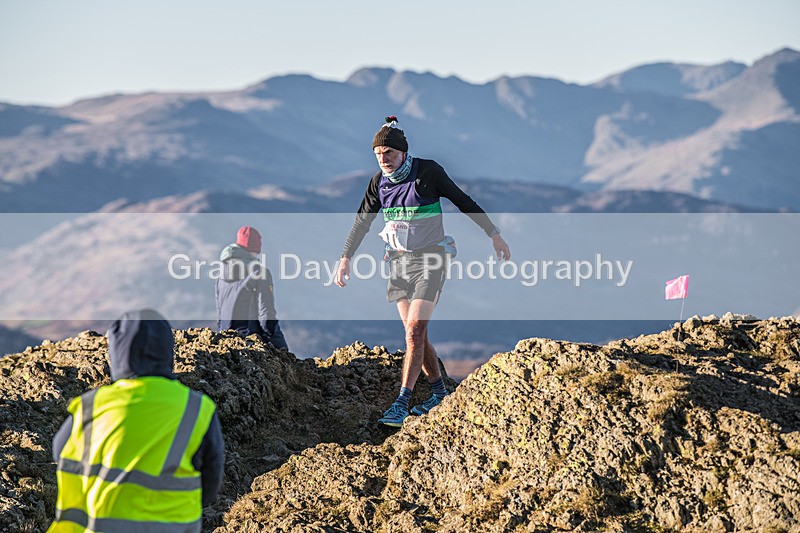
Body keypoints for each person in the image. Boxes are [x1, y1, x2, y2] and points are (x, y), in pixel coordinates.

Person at [335, 116, 510, 427]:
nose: (383, 159)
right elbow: (362, 221)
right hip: (397, 263)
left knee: (415, 330)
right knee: (415, 333)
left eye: (388, 152)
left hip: (432, 260)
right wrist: (345, 257)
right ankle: (439, 391)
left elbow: (463, 201)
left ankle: (402, 401)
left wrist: (493, 233)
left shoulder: (428, 172)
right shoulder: (379, 183)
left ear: (403, 151)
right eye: (378, 154)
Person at [49, 309, 225, 532]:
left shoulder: (93, 405)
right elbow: (210, 482)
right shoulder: (196, 407)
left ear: (117, 352)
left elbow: (59, 451)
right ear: (167, 351)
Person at [215, 226, 289, 350]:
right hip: (251, 342)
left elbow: (220, 316)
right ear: (256, 247)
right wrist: (281, 347)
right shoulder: (259, 272)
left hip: (226, 343)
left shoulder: (220, 275)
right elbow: (266, 314)